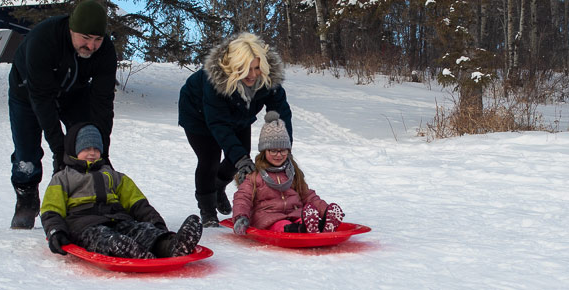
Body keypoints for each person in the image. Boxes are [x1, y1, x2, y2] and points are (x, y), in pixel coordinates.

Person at [7, 0, 117, 229]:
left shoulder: (105, 51)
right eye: (85, 38)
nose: (92, 46)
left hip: (73, 94)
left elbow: (103, 105)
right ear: (71, 30)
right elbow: (43, 102)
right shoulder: (43, 40)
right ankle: (27, 198)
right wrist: (59, 151)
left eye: (97, 39)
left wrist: (102, 150)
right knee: (27, 153)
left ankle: (84, 200)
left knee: (86, 141)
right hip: (28, 95)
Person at [178, 32, 293, 228]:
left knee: (239, 156)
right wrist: (240, 158)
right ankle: (207, 211)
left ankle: (218, 186)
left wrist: (285, 147)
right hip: (198, 115)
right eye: (244, 69)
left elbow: (281, 111)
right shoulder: (214, 80)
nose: (252, 74)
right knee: (210, 160)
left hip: (239, 114)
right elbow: (218, 123)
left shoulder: (267, 79)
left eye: (256, 68)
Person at [41, 124, 203, 259]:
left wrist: (156, 224)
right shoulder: (62, 178)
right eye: (86, 148)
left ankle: (171, 246)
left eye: (96, 149)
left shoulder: (114, 176)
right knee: (103, 238)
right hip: (83, 225)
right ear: (73, 151)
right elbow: (51, 210)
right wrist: (56, 232)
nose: (92, 153)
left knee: (141, 231)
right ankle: (127, 250)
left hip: (118, 220)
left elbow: (137, 203)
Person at [231, 112, 344, 235]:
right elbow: (242, 198)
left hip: (296, 214)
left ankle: (317, 225)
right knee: (282, 225)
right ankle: (302, 229)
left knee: (303, 220)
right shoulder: (255, 175)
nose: (278, 155)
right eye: (273, 151)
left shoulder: (292, 173)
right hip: (268, 218)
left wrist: (325, 210)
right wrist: (241, 217)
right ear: (264, 151)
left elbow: (307, 196)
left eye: (283, 150)